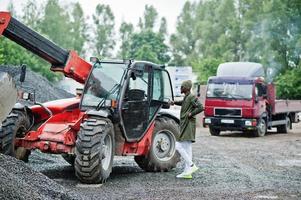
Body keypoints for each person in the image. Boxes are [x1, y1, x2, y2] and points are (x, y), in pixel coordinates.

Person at [170, 80, 204, 179]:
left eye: (182, 87)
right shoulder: (187, 97)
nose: (180, 88)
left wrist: (191, 114)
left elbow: (201, 107)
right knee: (187, 149)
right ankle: (187, 172)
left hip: (188, 125)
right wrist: (174, 102)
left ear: (187, 88)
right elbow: (183, 102)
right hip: (186, 124)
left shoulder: (192, 96)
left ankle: (191, 165)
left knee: (178, 145)